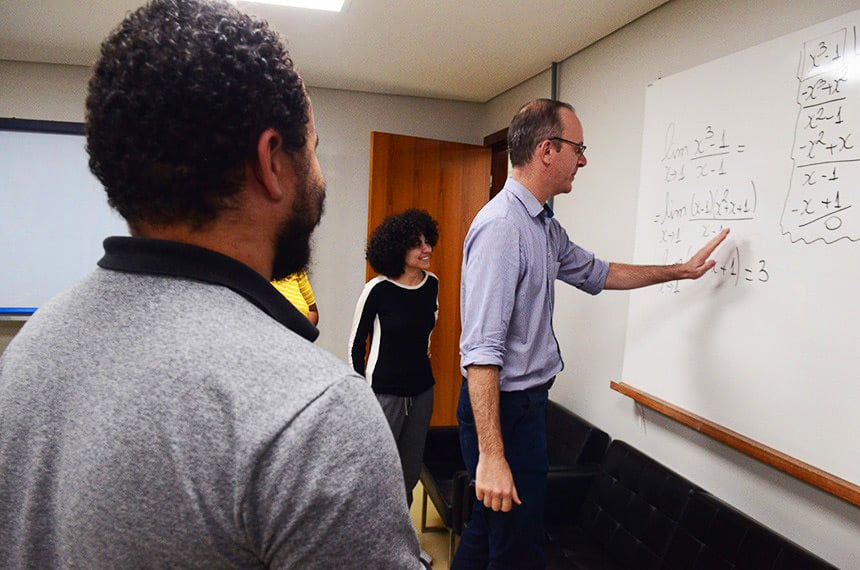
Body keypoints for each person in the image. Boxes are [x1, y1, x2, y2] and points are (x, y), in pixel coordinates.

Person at [0, 1, 426, 568]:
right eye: (313, 149)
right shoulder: (316, 416)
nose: (319, 176)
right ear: (270, 162)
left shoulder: (28, 352)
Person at [454, 98, 729, 569]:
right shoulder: (502, 227)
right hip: (505, 411)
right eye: (578, 149)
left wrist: (679, 270)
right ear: (547, 150)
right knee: (517, 550)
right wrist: (493, 455)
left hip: (523, 407)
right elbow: (481, 353)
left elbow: (599, 273)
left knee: (486, 531)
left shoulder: (542, 226)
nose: (582, 161)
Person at [348, 209, 439, 508]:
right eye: (417, 244)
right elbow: (355, 345)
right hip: (384, 393)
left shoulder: (432, 284)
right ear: (398, 248)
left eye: (428, 241)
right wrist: (361, 395)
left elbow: (428, 332)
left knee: (409, 472)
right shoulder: (377, 289)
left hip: (422, 391)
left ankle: (403, 534)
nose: (427, 249)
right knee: (378, 471)